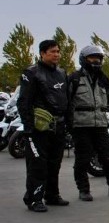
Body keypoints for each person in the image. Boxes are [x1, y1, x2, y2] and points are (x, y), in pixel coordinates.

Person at [68, 46, 109, 201]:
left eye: (98, 58)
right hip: (81, 125)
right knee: (82, 159)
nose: (96, 61)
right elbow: (67, 102)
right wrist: (69, 125)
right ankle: (83, 190)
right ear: (84, 59)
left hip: (100, 124)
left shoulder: (103, 80)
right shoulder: (74, 78)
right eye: (92, 58)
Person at [17, 40, 71, 212]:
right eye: (52, 51)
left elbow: (67, 100)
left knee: (55, 163)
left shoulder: (62, 73)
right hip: (38, 128)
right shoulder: (31, 73)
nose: (56, 54)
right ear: (42, 53)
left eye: (58, 51)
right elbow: (23, 102)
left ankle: (52, 195)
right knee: (38, 164)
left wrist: (69, 124)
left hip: (58, 126)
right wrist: (28, 127)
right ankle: (34, 199)